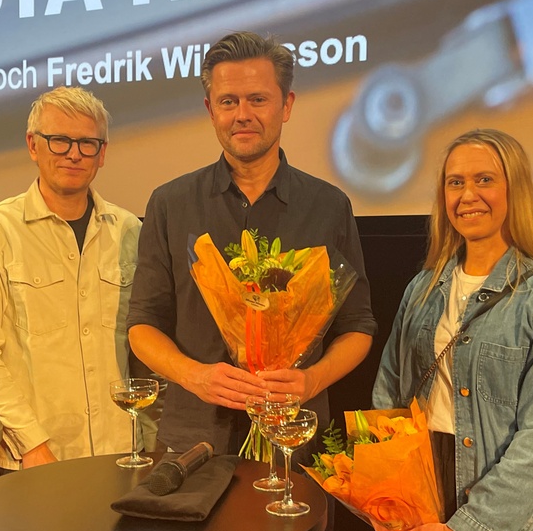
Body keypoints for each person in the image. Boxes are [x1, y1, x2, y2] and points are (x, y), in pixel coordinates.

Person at [127, 31, 377, 456]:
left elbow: (358, 327)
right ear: (210, 111)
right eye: (228, 101)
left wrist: (312, 380)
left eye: (258, 99)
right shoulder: (170, 203)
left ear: (287, 105)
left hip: (295, 438)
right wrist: (194, 376)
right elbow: (142, 325)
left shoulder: (329, 205)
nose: (242, 114)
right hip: (192, 441)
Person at [372, 129, 533, 531]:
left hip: (506, 518)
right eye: (455, 182)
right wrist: (388, 499)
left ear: (515, 190)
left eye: (484, 179)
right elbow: (389, 398)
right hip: (422, 505)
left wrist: (466, 529)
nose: (467, 195)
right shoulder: (421, 289)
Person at [0, 86, 142, 472]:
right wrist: (31, 443)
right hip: (34, 460)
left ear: (102, 153)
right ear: (33, 145)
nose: (74, 153)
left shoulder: (129, 230)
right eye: (59, 141)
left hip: (123, 455)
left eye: (87, 143)